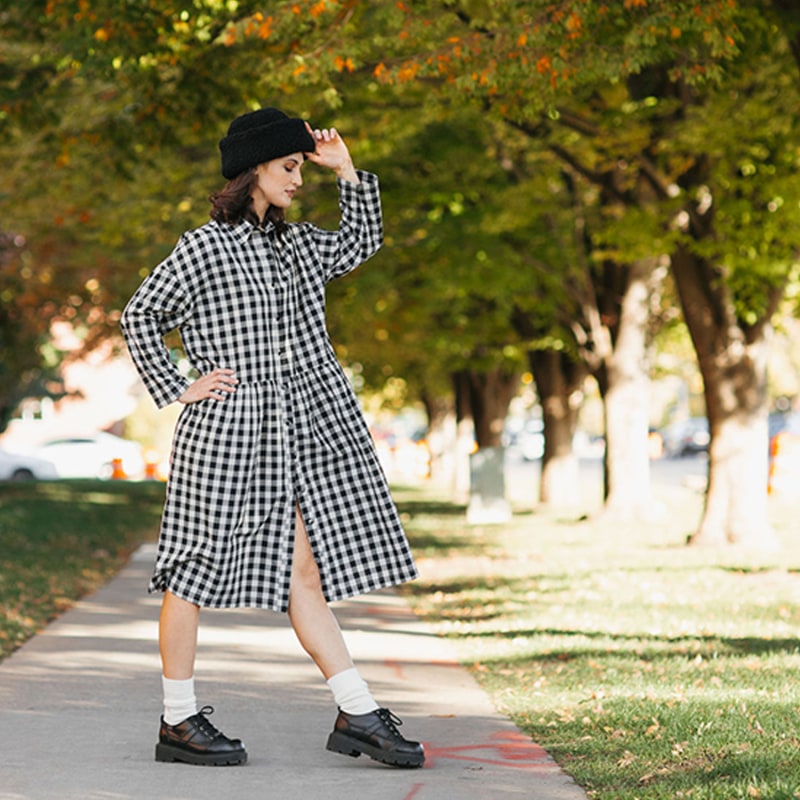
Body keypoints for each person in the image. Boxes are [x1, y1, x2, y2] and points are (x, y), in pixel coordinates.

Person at [120, 107, 424, 769]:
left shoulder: (300, 246)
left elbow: (360, 243)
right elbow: (140, 316)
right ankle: (177, 721)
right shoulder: (203, 247)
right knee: (193, 569)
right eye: (289, 168)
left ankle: (359, 711)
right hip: (228, 429)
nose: (298, 179)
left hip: (301, 424)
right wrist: (178, 386)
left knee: (304, 576)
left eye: (300, 168)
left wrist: (345, 169)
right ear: (253, 170)